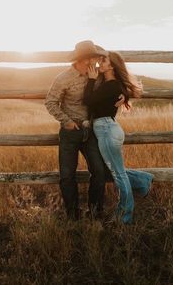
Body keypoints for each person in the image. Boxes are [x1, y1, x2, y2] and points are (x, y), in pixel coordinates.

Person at [45, 40, 123, 221]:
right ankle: (72, 214)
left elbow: (115, 83)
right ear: (82, 59)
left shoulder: (97, 76)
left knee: (99, 172)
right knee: (67, 175)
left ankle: (95, 211)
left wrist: (123, 94)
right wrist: (67, 122)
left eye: (96, 57)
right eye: (92, 58)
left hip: (92, 131)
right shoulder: (63, 78)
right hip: (70, 132)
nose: (95, 61)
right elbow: (50, 102)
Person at [83, 51, 154, 225]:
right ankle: (143, 180)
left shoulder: (111, 85)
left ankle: (125, 216)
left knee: (118, 174)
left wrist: (91, 79)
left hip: (107, 129)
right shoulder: (111, 85)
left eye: (104, 60)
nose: (100, 63)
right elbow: (110, 95)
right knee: (112, 171)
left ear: (112, 65)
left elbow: (88, 100)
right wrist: (125, 95)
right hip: (107, 128)